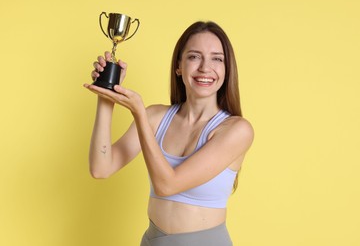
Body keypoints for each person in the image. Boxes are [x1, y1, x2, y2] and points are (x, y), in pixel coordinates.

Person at [84, 21, 254, 246]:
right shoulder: (156, 117)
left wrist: (138, 113)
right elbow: (101, 168)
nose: (205, 67)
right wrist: (106, 96)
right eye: (194, 57)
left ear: (227, 69)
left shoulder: (236, 130)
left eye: (217, 58)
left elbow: (167, 185)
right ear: (179, 66)